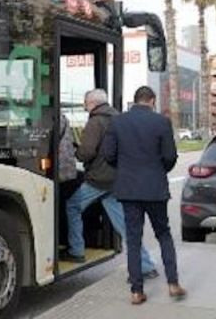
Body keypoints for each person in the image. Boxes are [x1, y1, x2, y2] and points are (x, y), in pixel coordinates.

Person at [60, 89, 159, 282]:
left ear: (92, 103)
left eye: (86, 103)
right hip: (119, 180)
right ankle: (146, 266)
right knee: (125, 225)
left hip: (100, 180)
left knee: (72, 206)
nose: (85, 106)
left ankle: (76, 250)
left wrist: (76, 151)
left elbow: (86, 153)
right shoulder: (122, 119)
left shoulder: (95, 121)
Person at [102, 86, 186, 305]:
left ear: (135, 100)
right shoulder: (161, 122)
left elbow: (108, 154)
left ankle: (136, 291)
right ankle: (173, 283)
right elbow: (170, 156)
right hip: (155, 188)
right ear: (152, 100)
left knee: (133, 239)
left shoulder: (118, 122)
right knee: (163, 234)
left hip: (128, 189)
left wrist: (125, 169)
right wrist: (158, 171)